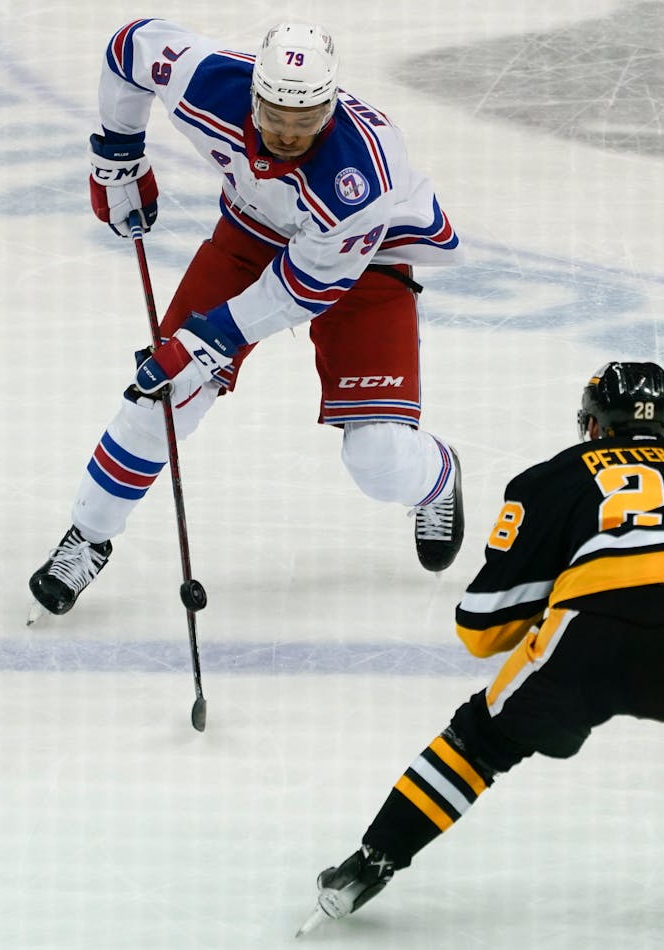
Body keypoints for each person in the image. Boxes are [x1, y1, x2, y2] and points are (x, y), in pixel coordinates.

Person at [298, 362, 664, 945]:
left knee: (478, 742)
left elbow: (482, 629)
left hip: (582, 643)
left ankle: (366, 867)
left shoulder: (553, 476)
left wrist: (555, 597)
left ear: (592, 422)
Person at [29, 19, 464, 618]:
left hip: (365, 264)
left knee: (379, 461)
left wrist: (200, 341)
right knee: (159, 396)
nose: (287, 133)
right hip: (251, 233)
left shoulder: (357, 185)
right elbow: (130, 46)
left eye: (305, 120)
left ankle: (436, 476)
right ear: (254, 93)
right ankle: (88, 536)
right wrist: (118, 153)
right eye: (274, 115)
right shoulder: (213, 85)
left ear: (330, 107)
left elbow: (299, 291)